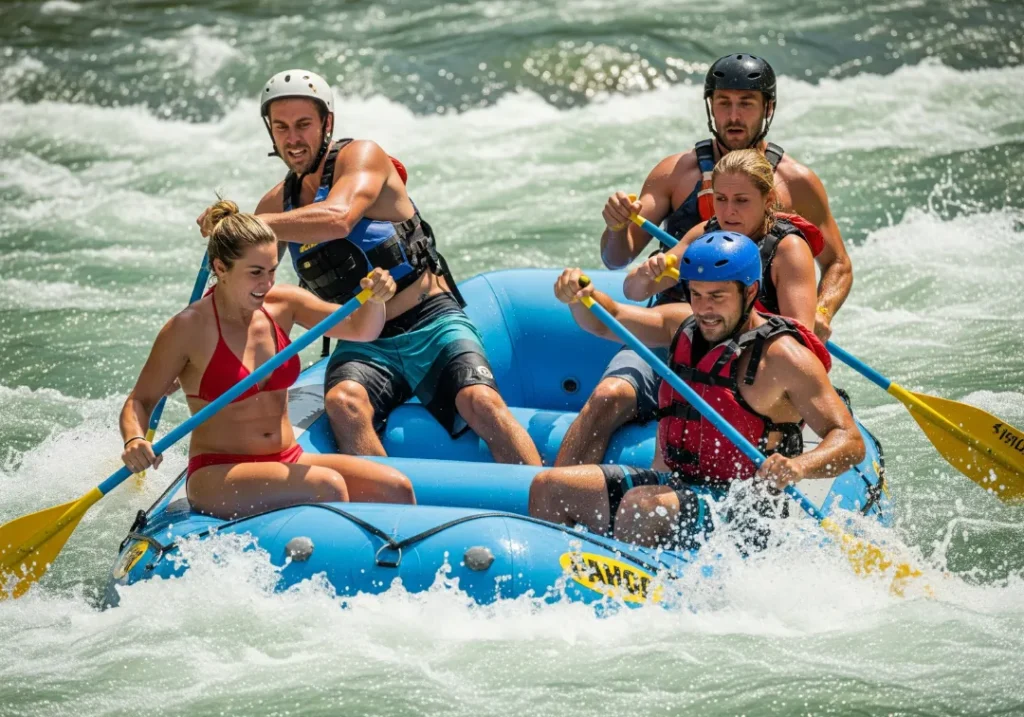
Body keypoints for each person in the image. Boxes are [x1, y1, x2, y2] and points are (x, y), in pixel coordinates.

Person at [221, 69, 540, 465]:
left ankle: (544, 496)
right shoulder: (274, 206)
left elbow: (338, 217)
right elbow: (249, 283)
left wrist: (247, 227)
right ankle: (386, 503)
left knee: (481, 402)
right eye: (281, 127)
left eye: (303, 125)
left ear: (327, 124)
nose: (293, 139)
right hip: (363, 337)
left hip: (430, 319)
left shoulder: (362, 156)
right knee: (342, 403)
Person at [556, 52, 851, 467]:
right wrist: (618, 227)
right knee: (609, 396)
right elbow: (617, 259)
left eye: (746, 103)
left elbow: (837, 265)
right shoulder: (676, 174)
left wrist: (822, 310)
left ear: (768, 109)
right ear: (710, 105)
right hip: (673, 329)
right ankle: (557, 506)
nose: (734, 115)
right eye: (723, 102)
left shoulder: (795, 186)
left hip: (748, 344)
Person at [529, 232, 864, 550]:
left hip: (742, 506)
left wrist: (800, 467)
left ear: (749, 292)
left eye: (717, 296)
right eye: (697, 294)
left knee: (641, 508)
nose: (704, 309)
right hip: (675, 483)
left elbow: (849, 440)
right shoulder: (681, 324)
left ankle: (634, 601)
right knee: (549, 487)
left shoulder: (784, 359)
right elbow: (607, 318)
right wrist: (579, 297)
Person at [121, 200, 416, 519]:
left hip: (286, 458)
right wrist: (135, 439)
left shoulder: (283, 303)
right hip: (218, 474)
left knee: (397, 487)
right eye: (255, 273)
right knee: (327, 486)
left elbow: (361, 328)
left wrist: (375, 300)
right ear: (221, 269)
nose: (267, 283)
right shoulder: (188, 328)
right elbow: (140, 400)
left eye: (273, 270)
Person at [624, 148, 822, 329]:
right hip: (701, 347)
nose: (728, 212)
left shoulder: (789, 250)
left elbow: (799, 339)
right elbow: (633, 292)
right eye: (720, 199)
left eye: (741, 200)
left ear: (768, 199)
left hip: (757, 359)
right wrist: (646, 275)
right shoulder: (706, 234)